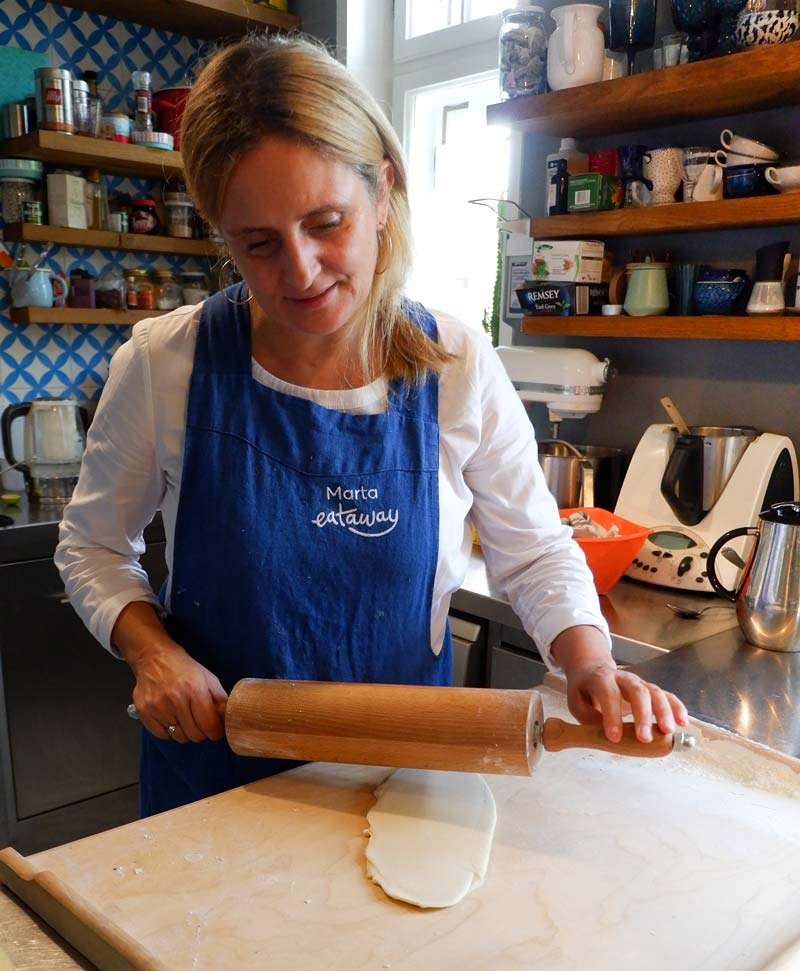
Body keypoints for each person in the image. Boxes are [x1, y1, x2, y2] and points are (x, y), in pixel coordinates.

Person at [55, 34, 687, 816]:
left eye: (327, 222)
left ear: (382, 193)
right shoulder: (166, 363)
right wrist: (153, 652)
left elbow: (534, 552)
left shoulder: (456, 363)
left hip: (405, 785)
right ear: (223, 235)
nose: (301, 270)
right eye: (257, 244)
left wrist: (588, 659)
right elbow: (91, 546)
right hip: (214, 786)